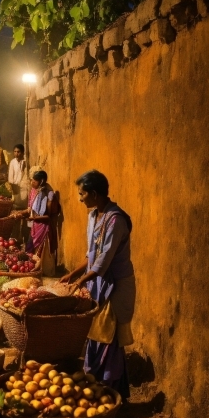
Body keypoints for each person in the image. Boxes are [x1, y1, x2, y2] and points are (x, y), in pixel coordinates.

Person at [60, 170, 135, 399]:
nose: (79, 198)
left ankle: (108, 390)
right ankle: (101, 387)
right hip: (97, 283)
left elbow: (103, 261)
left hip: (116, 286)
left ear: (93, 193)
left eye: (82, 194)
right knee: (95, 334)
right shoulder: (93, 217)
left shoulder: (116, 220)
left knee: (108, 336)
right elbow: (91, 255)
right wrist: (72, 275)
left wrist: (81, 282)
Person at [16, 169, 60, 275]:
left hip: (44, 228)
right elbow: (30, 209)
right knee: (30, 248)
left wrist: (34, 218)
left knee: (41, 253)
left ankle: (43, 271)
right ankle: (34, 268)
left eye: (34, 181)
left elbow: (48, 216)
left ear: (41, 181)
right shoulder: (36, 190)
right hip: (36, 225)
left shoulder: (49, 194)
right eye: (32, 181)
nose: (32, 183)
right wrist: (20, 214)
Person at [8, 144, 29, 245]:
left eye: (19, 152)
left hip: (24, 189)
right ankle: (15, 237)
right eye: (15, 152)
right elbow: (10, 177)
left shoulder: (25, 161)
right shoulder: (12, 162)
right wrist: (14, 187)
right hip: (16, 189)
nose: (16, 154)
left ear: (22, 152)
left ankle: (24, 236)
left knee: (24, 214)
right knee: (15, 214)